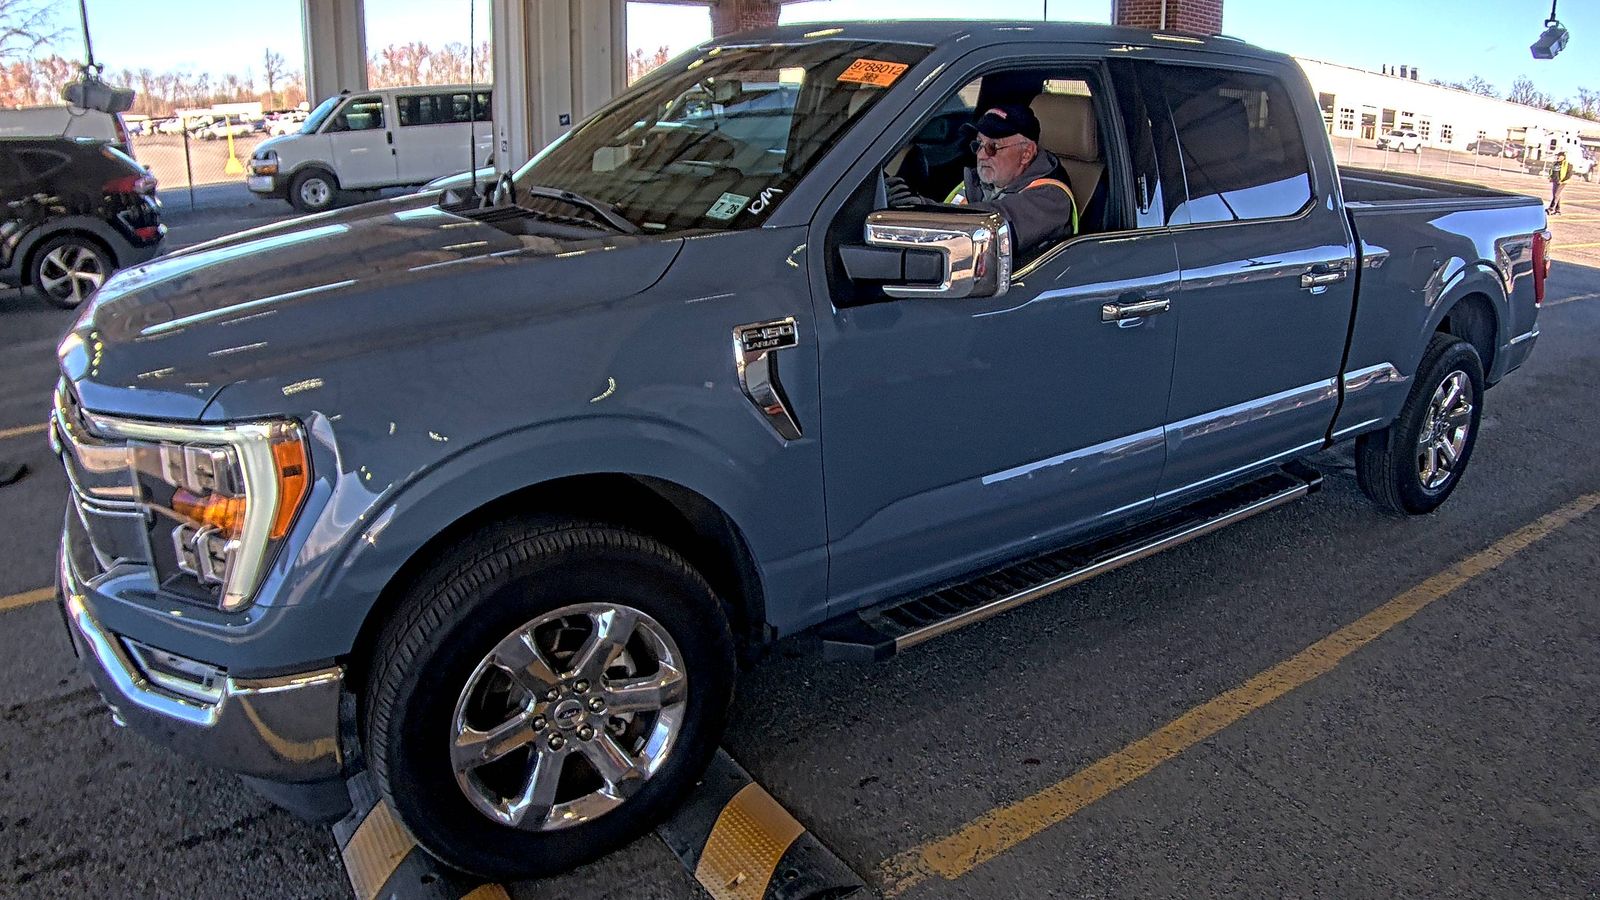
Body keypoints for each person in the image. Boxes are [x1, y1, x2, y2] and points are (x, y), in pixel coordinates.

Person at [885, 105, 1078, 256]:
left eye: (993, 147)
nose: (982, 155)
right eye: (978, 144)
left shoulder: (1051, 198)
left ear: (1026, 153)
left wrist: (921, 209)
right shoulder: (979, 181)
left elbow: (994, 221)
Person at [1548, 150, 1572, 215]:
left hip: (1562, 182)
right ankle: (1558, 210)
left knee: (1556, 195)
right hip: (1555, 181)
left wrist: (1562, 181)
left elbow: (1569, 174)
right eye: (1558, 156)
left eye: (1560, 156)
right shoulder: (1555, 163)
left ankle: (1550, 209)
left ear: (1564, 157)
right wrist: (1550, 177)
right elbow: (1551, 171)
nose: (1558, 157)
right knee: (1556, 196)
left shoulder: (1567, 164)